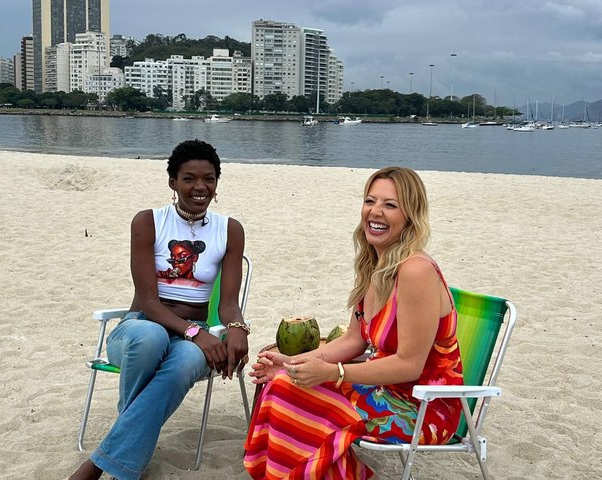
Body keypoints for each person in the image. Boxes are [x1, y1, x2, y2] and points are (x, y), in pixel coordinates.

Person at [244, 166, 462, 479]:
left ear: (410, 215)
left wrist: (333, 373)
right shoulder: (376, 265)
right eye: (370, 201)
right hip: (381, 390)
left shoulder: (416, 271)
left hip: (421, 408)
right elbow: (353, 341)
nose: (376, 211)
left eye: (390, 205)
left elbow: (410, 365)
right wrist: (292, 363)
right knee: (281, 383)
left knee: (290, 392)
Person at [70, 139, 248, 480]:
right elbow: (149, 302)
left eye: (208, 179)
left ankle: (102, 463)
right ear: (172, 182)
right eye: (189, 178)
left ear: (217, 183)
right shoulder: (148, 222)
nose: (200, 187)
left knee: (187, 360)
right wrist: (196, 333)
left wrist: (237, 327)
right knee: (152, 337)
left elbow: (227, 303)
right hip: (138, 328)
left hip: (188, 340)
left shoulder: (230, 230)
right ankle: (114, 459)